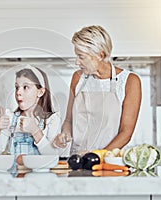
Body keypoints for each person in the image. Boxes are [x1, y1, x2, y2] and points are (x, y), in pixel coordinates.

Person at [52, 25, 142, 154]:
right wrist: (65, 134)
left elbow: (126, 133)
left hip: (110, 161)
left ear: (100, 55)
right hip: (78, 158)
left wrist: (97, 156)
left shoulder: (130, 81)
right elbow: (68, 120)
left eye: (81, 56)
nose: (77, 62)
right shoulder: (78, 78)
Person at [0, 65, 70, 160]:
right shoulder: (10, 118)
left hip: (42, 175)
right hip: (14, 174)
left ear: (40, 92)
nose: (18, 92)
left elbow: (53, 157)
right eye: (16, 87)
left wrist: (35, 131)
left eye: (25, 87)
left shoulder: (51, 120)